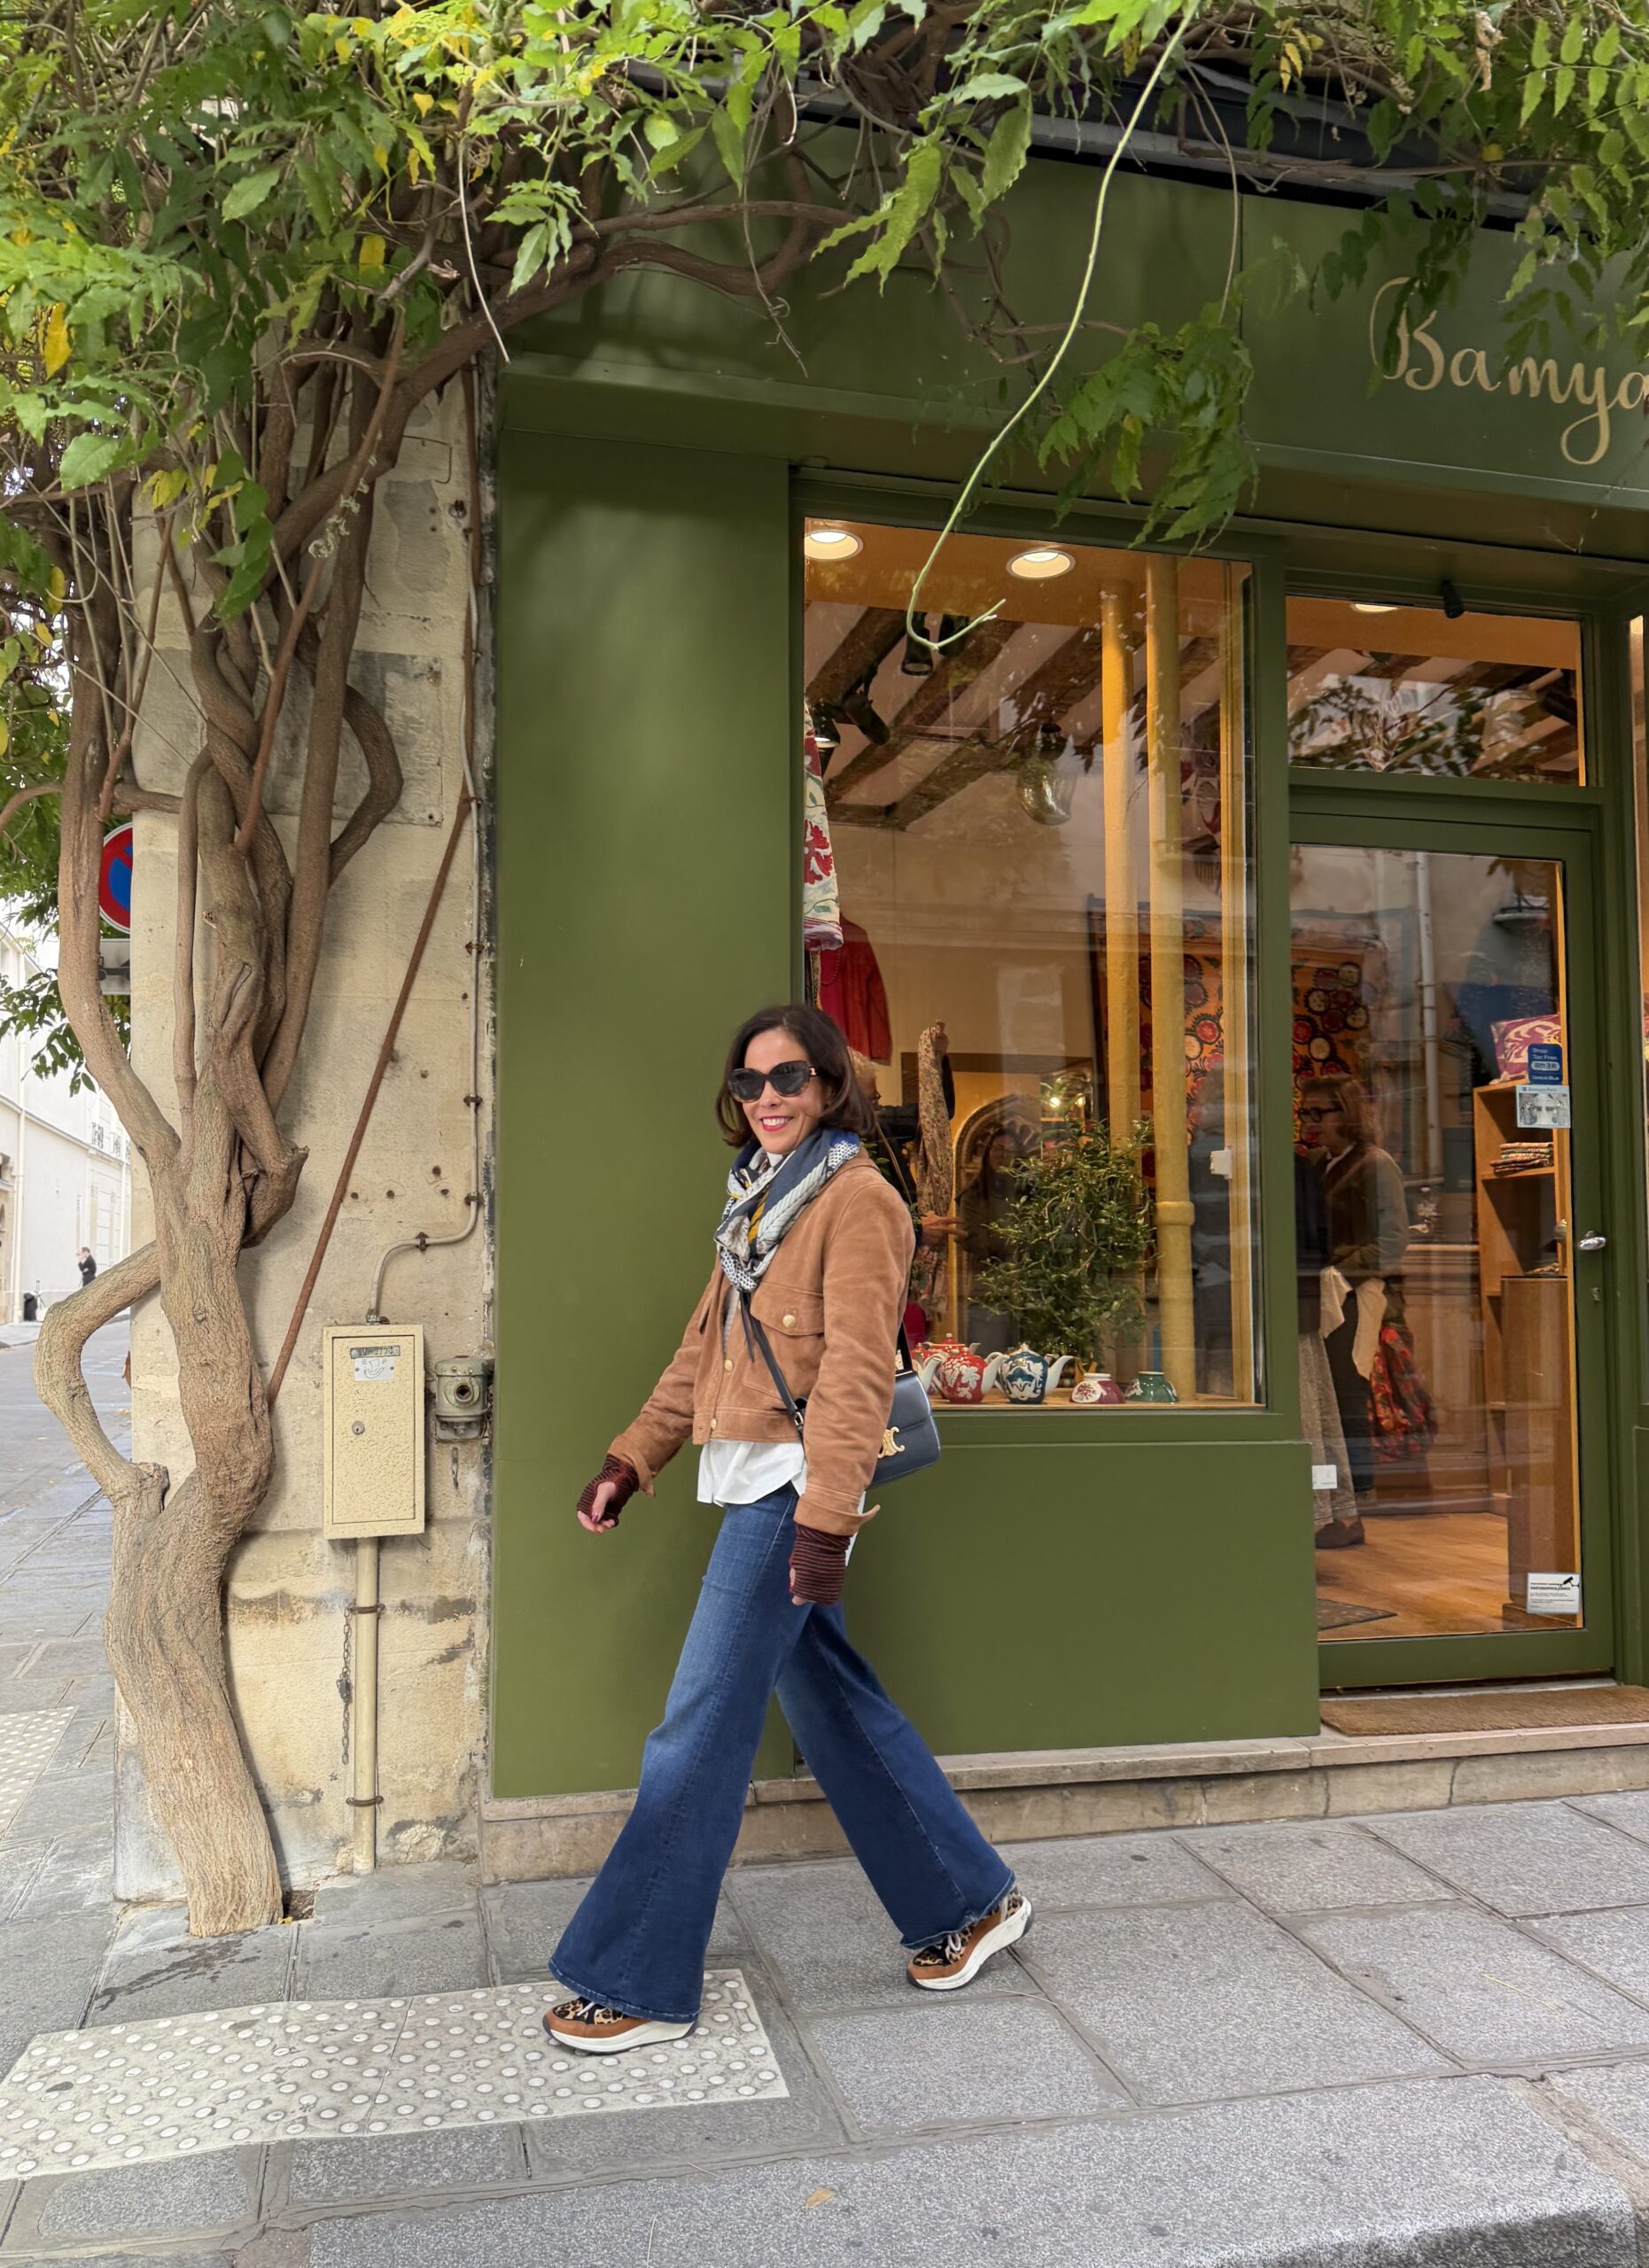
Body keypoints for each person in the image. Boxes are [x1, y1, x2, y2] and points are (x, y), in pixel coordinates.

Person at [544, 1004, 1031, 2054]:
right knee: (832, 1706)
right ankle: (968, 1901)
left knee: (700, 1728)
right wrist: (633, 1457)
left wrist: (824, 1523)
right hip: (753, 1478)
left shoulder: (859, 1202)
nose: (769, 1096)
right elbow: (701, 1357)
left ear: (830, 1086)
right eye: (753, 1079)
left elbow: (858, 1371)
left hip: (792, 1496)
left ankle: (636, 1975)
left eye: (791, 1077)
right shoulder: (755, 1207)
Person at [1298, 1074, 1409, 1546]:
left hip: (1357, 1292)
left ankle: (1355, 1503)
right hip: (1325, 1290)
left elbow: (1392, 1240)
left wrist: (1342, 1270)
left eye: (1320, 1113)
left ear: (1348, 1112)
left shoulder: (1374, 1164)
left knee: (1347, 1394)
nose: (1311, 1123)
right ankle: (1332, 1502)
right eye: (1306, 1113)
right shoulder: (1319, 1163)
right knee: (1323, 1396)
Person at [956, 1124, 1032, 1353]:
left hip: (1027, 1293)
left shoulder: (1029, 1193)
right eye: (998, 1149)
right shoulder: (974, 1194)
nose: (1003, 1155)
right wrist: (1014, 1240)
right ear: (988, 1152)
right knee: (988, 1358)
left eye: (1010, 1151)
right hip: (988, 1292)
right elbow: (977, 1241)